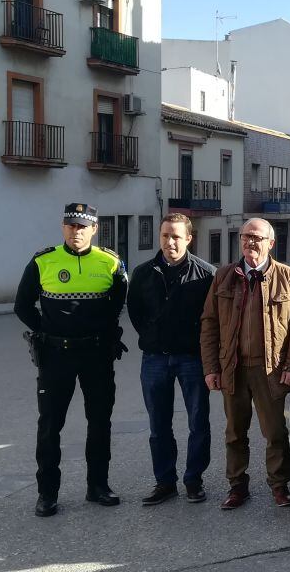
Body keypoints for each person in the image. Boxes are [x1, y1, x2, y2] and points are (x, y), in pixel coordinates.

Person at [14, 203, 128, 517]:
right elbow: (22, 305)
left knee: (100, 422)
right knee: (50, 426)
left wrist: (102, 332)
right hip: (55, 356)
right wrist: (45, 330)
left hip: (96, 355)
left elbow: (117, 304)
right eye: (70, 226)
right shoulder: (43, 260)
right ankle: (47, 494)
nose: (75, 232)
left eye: (82, 227)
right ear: (63, 227)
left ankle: (98, 486)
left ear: (94, 229)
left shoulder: (110, 262)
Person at [200, 218, 290, 509]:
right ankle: (237, 487)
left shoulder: (289, 278)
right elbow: (209, 324)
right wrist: (211, 368)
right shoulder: (223, 277)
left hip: (270, 370)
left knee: (275, 432)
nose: (250, 242)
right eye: (245, 236)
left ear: (271, 243)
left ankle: (279, 485)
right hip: (232, 369)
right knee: (235, 433)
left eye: (257, 237)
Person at [127, 213, 216, 506]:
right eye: (165, 236)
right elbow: (136, 313)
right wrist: (153, 336)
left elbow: (211, 321)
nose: (170, 242)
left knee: (198, 423)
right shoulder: (142, 273)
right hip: (154, 359)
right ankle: (165, 482)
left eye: (176, 236)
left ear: (189, 238)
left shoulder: (206, 275)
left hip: (192, 359)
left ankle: (193, 480)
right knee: (158, 426)